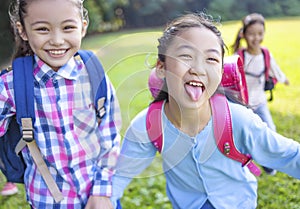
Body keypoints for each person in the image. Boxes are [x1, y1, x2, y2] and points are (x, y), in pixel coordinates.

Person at [109, 13, 300, 209]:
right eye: (186, 56)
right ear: (161, 67)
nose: (198, 69)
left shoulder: (238, 120)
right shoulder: (149, 125)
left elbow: (290, 155)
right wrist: (104, 199)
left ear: (221, 71)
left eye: (211, 58)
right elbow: (118, 177)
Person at [0, 0, 121, 208]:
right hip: (46, 201)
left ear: (83, 27)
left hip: (99, 198)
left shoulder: (94, 75)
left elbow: (109, 138)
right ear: (23, 31)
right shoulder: (11, 85)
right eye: (42, 29)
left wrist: (101, 192)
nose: (57, 40)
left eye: (68, 28)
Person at [232, 13, 290, 175]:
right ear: (243, 34)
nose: (256, 38)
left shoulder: (265, 54)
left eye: (260, 33)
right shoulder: (239, 56)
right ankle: (244, 165)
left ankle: (268, 163)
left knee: (270, 131)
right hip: (243, 105)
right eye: (251, 34)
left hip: (260, 102)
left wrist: (283, 79)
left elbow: (275, 69)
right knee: (244, 137)